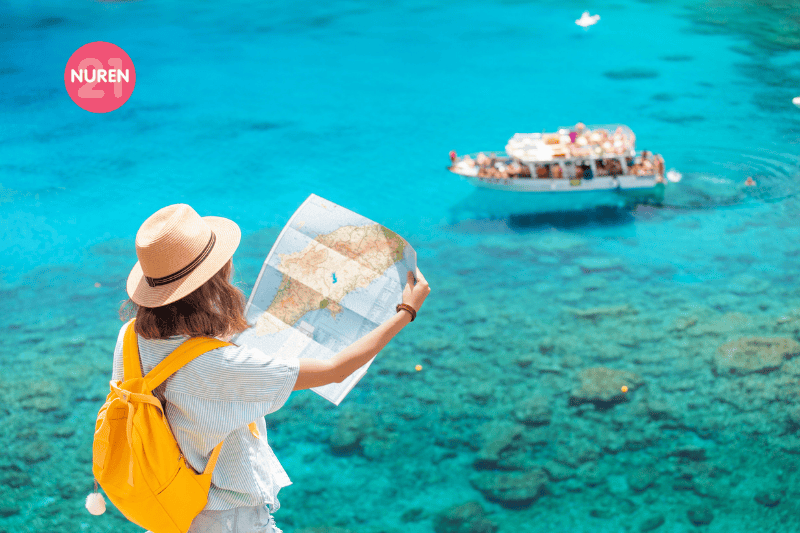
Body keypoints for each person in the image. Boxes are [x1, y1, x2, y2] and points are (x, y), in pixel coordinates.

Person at [115, 204, 431, 533]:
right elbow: (336, 369)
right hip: (229, 521)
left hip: (171, 512)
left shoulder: (130, 338)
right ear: (215, 274)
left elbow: (187, 368)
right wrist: (406, 310)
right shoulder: (220, 367)